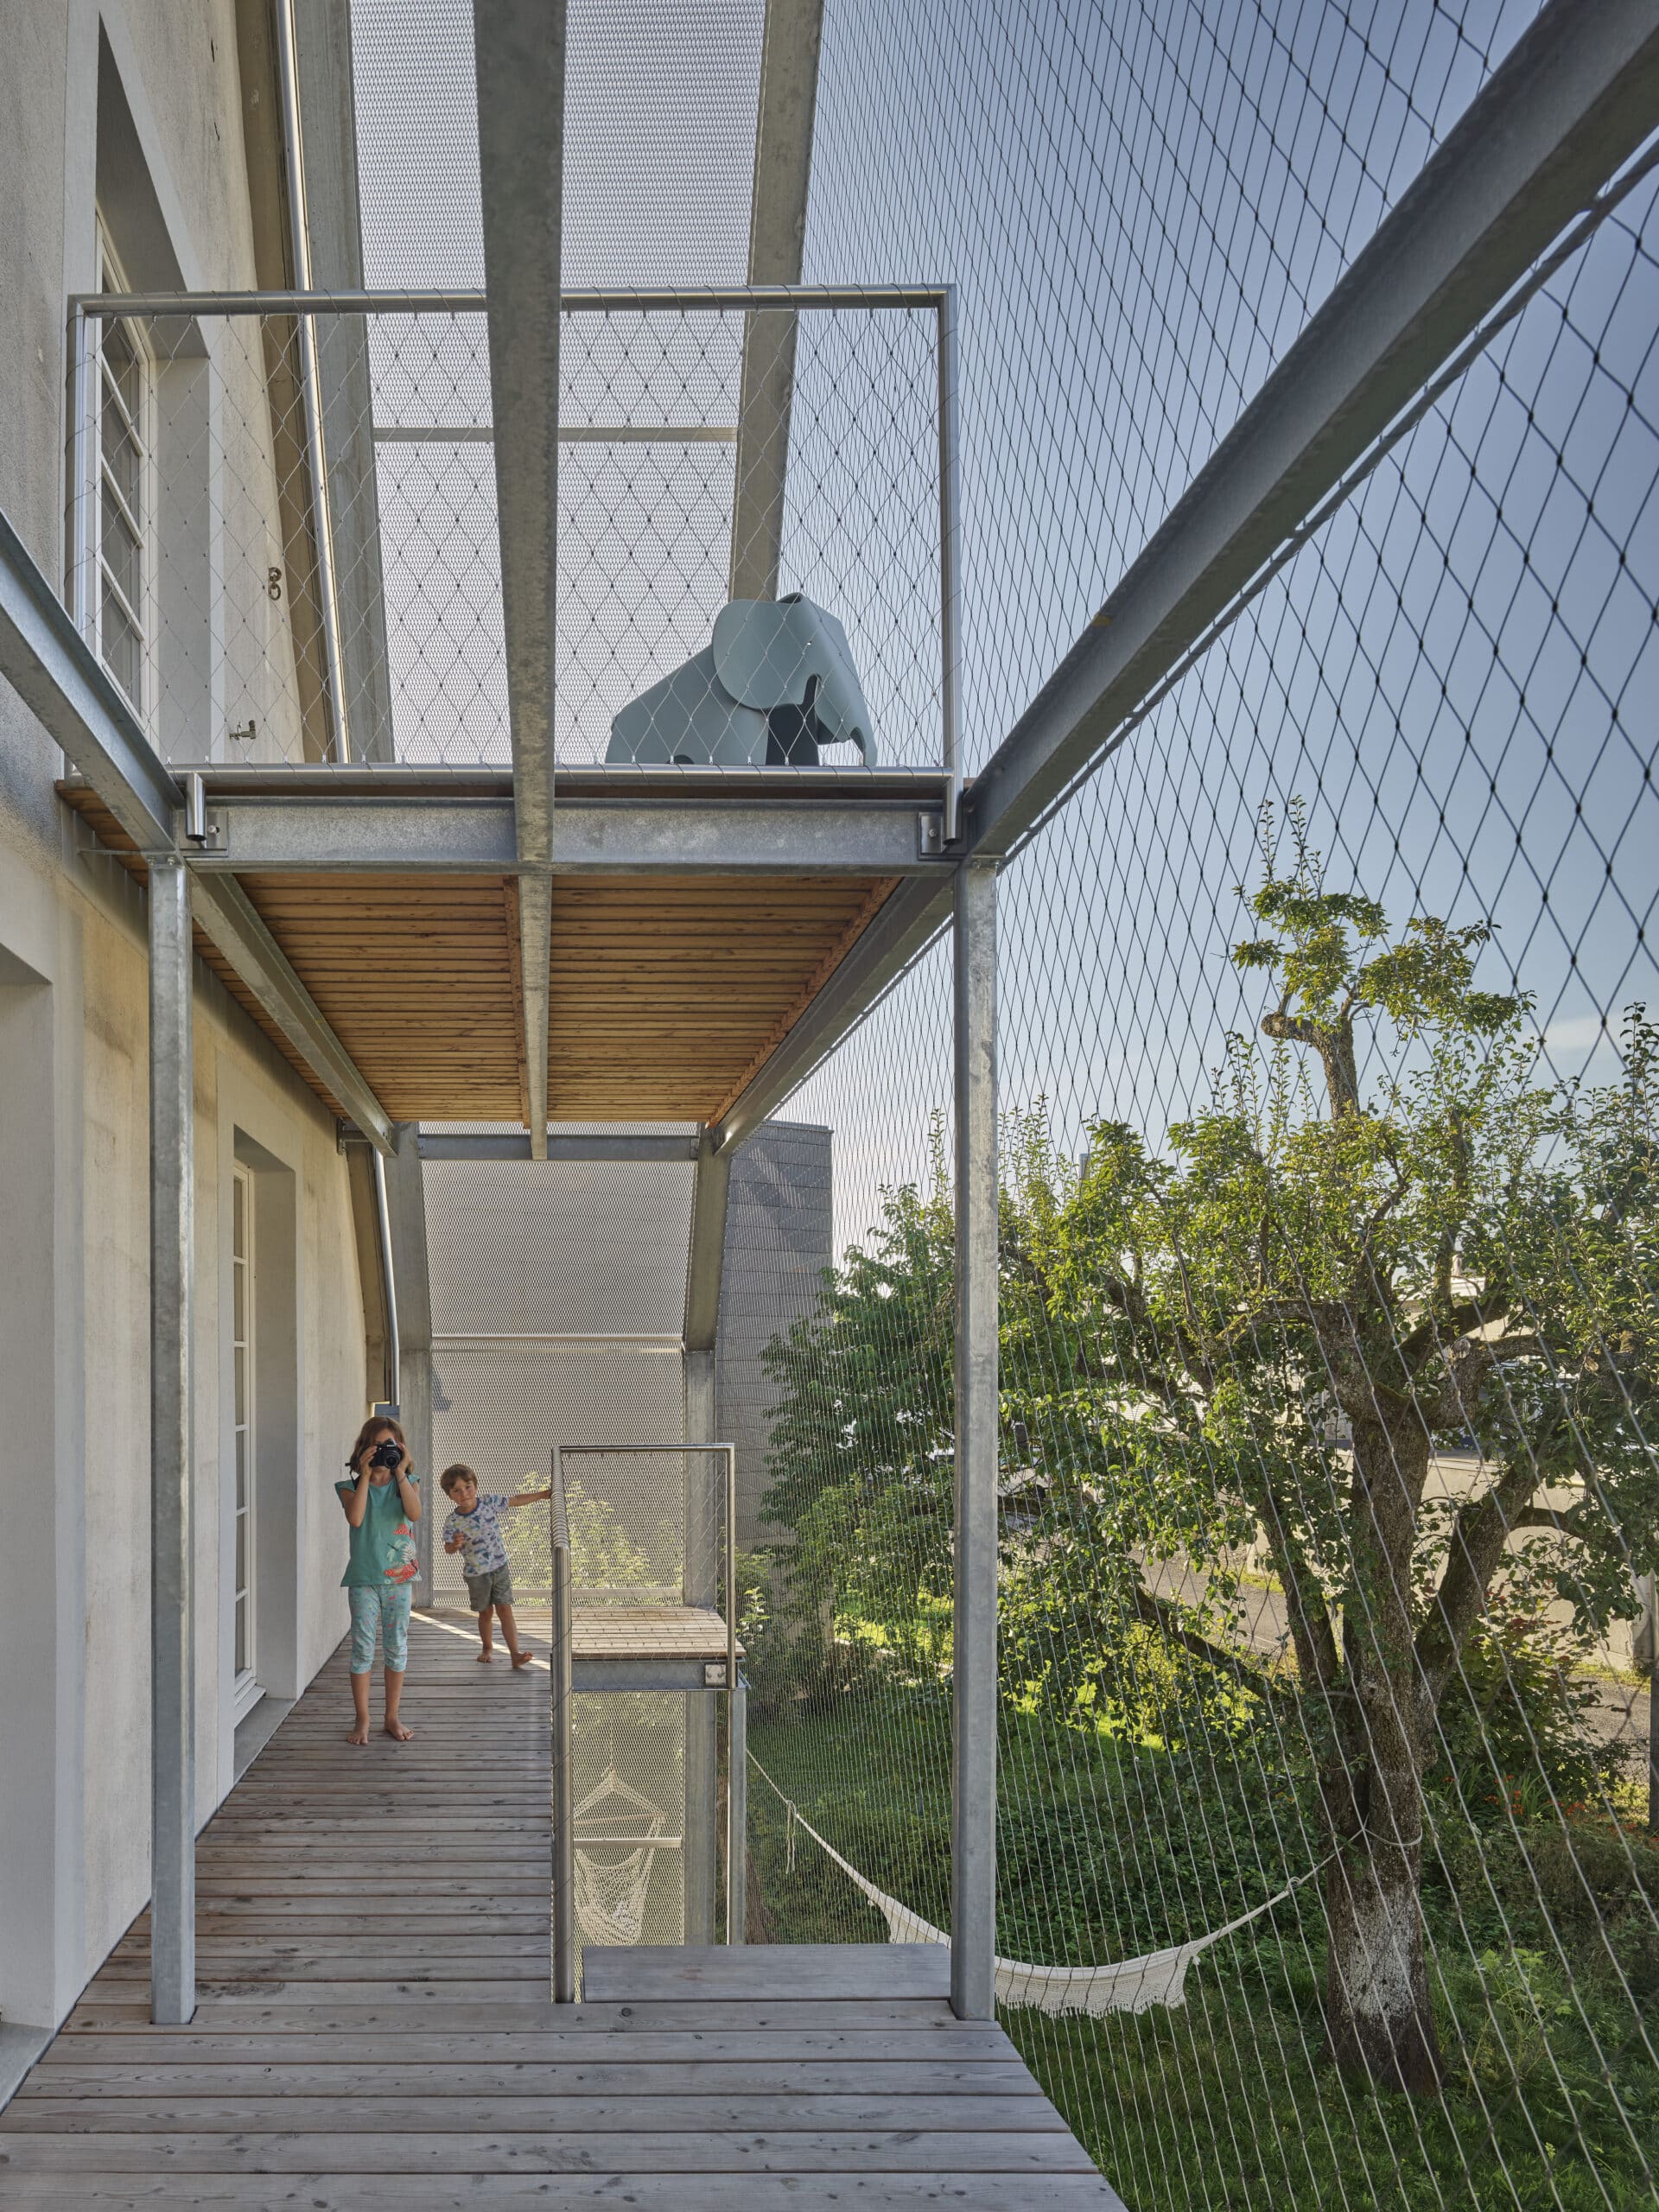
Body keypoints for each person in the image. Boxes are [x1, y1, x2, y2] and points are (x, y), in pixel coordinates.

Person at [337, 1415, 422, 1745]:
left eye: (392, 1447)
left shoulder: (409, 1482)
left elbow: (414, 1514)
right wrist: (365, 1475)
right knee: (362, 1649)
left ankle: (391, 1716)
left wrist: (400, 1472)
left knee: (396, 1647)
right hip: (364, 1580)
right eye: (379, 1447)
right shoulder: (349, 1488)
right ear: (364, 1450)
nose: (386, 1454)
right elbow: (356, 1518)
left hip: (399, 1581)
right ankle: (363, 1718)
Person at [439, 1464, 550, 1668]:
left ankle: (515, 1654)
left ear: (476, 1486)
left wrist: (542, 1495)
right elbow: (447, 1548)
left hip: (500, 1567)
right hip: (476, 1574)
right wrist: (454, 1544)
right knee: (486, 1612)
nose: (464, 1493)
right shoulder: (452, 1521)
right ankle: (487, 1648)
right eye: (457, 1490)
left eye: (468, 1487)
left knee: (505, 1609)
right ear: (449, 1495)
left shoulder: (489, 1502)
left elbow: (514, 1500)